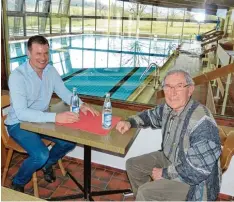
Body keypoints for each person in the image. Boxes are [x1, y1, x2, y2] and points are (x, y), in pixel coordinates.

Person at [5, 35, 99, 193]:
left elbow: (63, 91)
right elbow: (21, 113)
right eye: (38, 54)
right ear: (28, 53)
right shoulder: (17, 76)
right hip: (18, 123)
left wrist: (81, 104)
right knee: (40, 154)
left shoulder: (50, 70)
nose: (43, 58)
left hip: (41, 118)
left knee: (69, 141)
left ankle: (48, 164)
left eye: (46, 53)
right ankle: (18, 181)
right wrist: (56, 117)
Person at [116, 69, 221, 201]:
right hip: (171, 158)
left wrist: (165, 173)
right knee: (133, 165)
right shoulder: (169, 108)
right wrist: (130, 122)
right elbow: (150, 116)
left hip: (195, 182)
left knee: (145, 192)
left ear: (190, 90)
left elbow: (196, 171)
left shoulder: (202, 123)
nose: (173, 93)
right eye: (168, 87)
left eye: (179, 86)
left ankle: (147, 196)